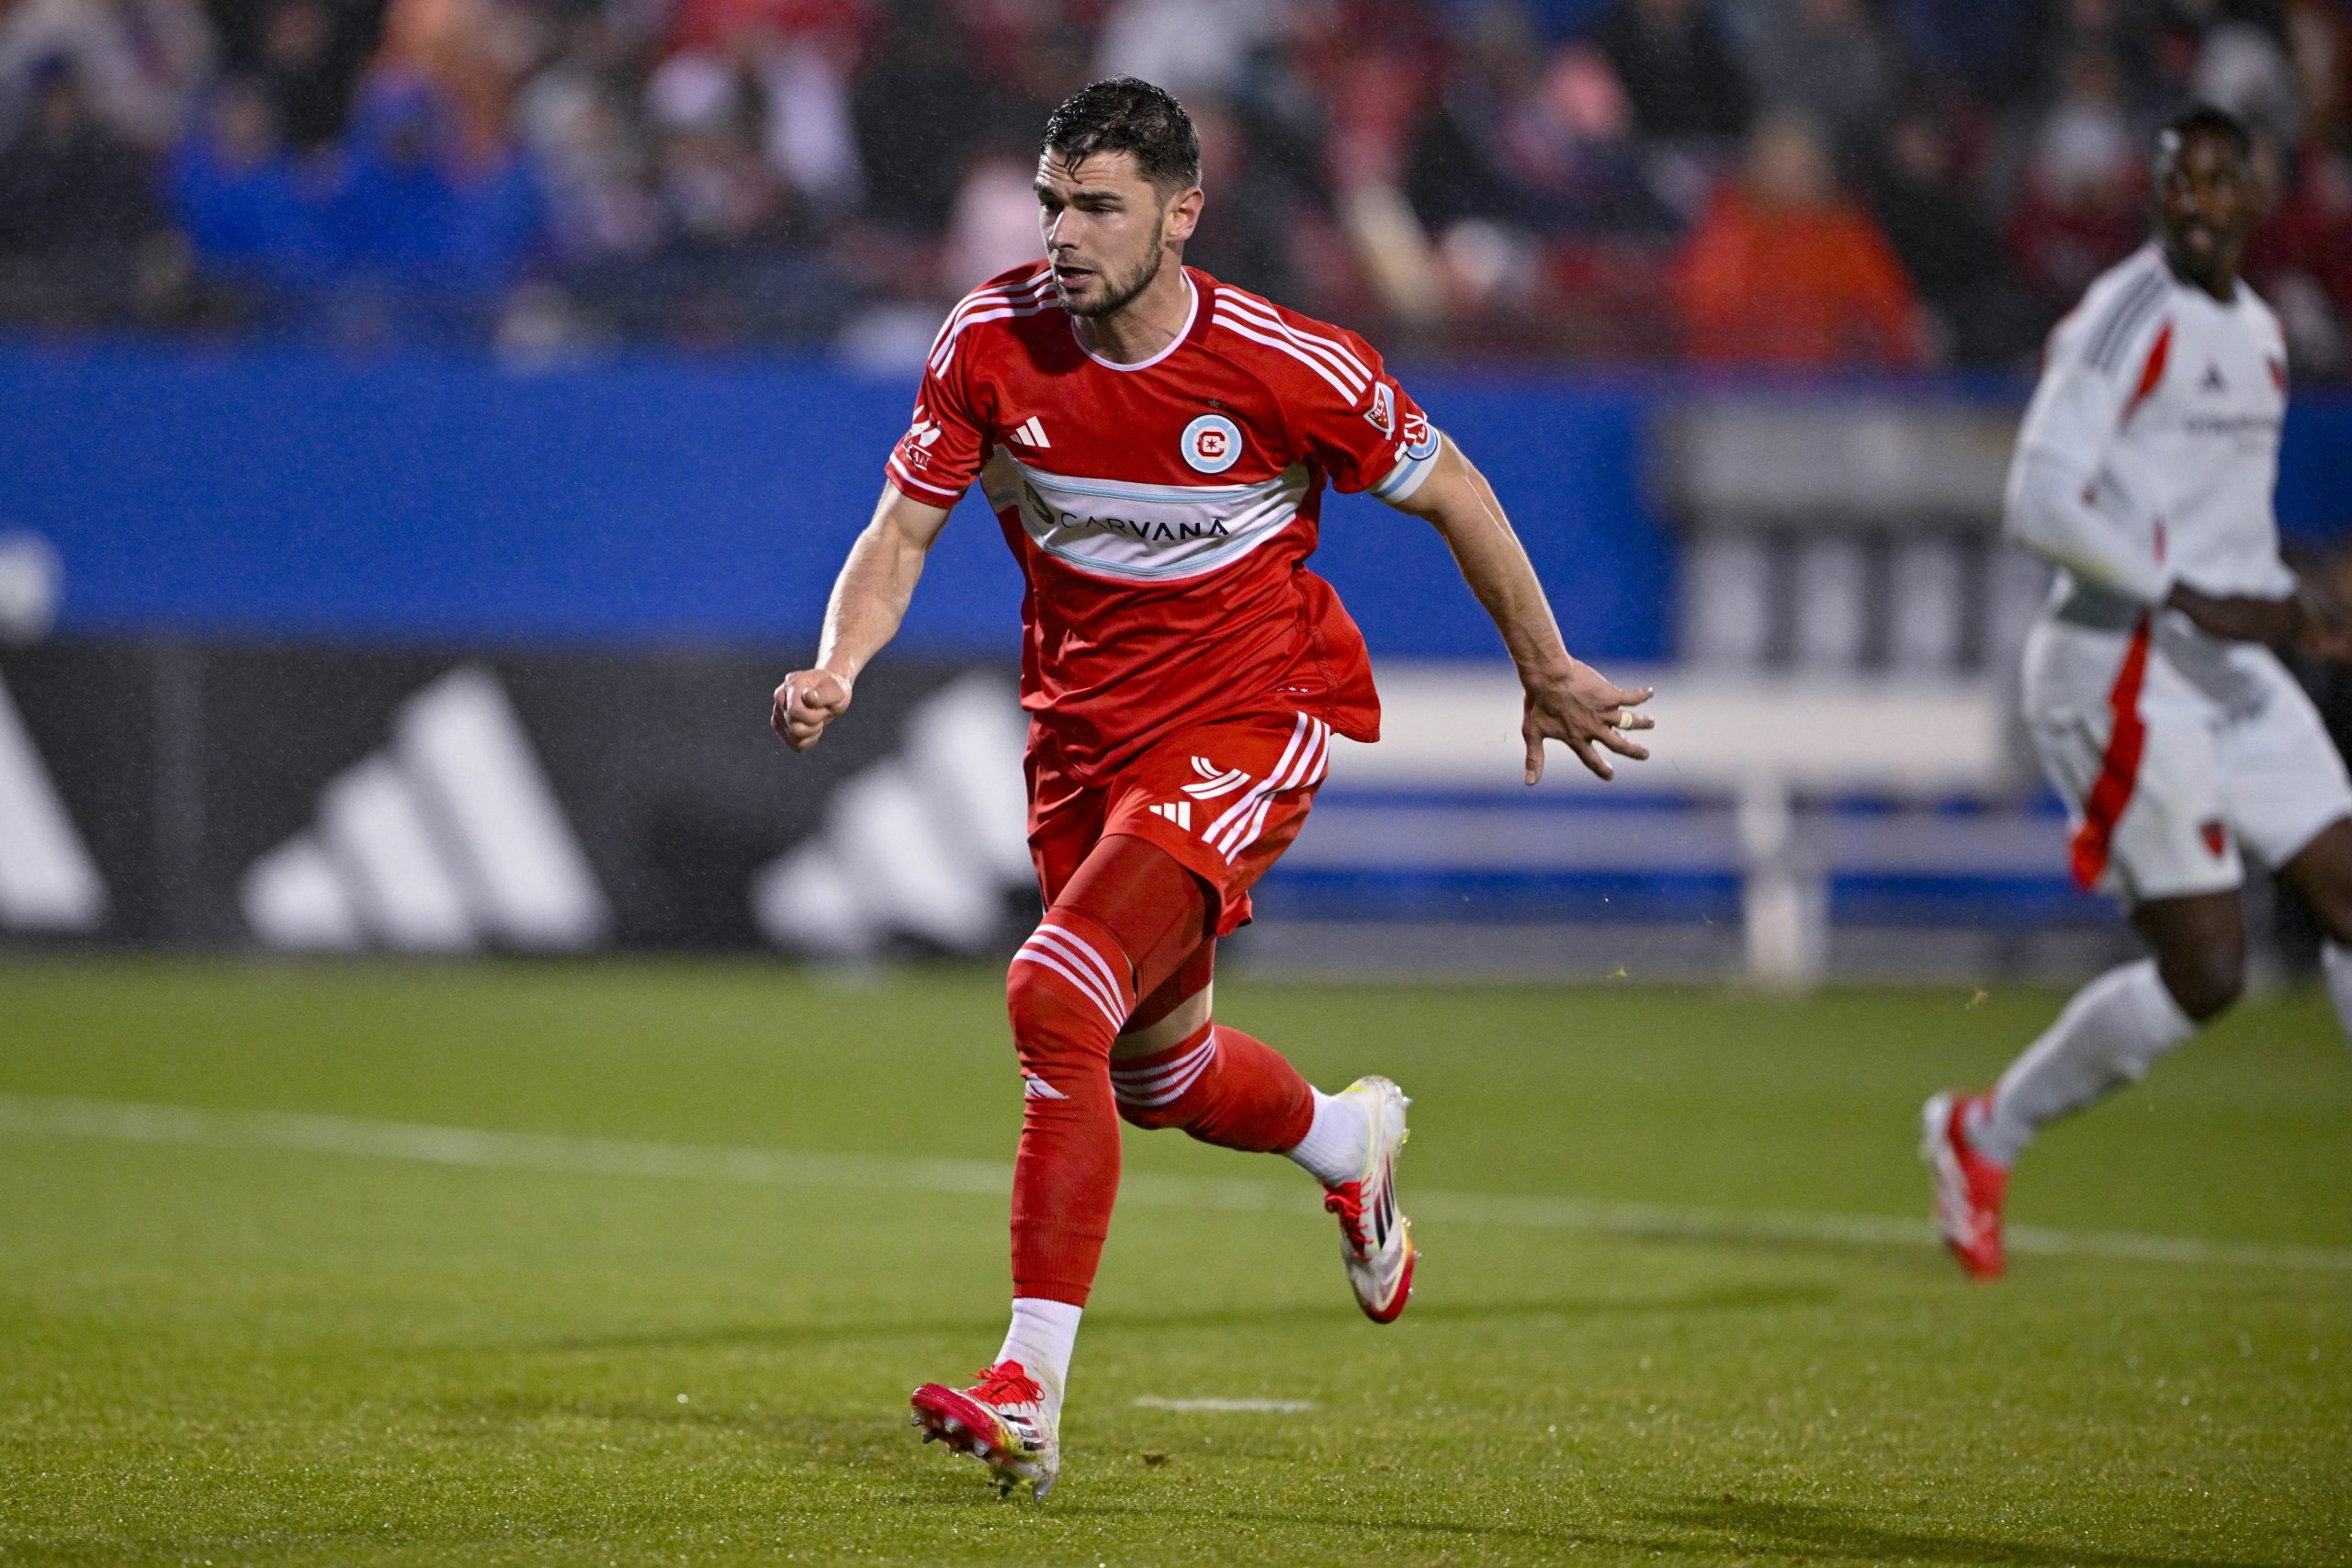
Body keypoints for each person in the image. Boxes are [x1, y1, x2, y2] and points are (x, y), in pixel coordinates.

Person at [770, 76, 1654, 1496]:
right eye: (1054, 200)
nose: (1063, 230)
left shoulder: (1287, 363)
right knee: (1156, 1074)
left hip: (1252, 715)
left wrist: (1544, 663)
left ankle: (1030, 1384)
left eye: (1098, 205)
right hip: (1084, 745)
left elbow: (1457, 489)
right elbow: (901, 530)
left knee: (1053, 987)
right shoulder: (990, 339)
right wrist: (839, 665)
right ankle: (1348, 1137)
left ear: (1183, 213)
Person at [1922, 105, 2352, 1282]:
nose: (2201, 201)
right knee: (2208, 972)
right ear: (2156, 193)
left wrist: (2299, 596)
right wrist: (2189, 593)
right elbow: (2039, 501)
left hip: (2222, 662)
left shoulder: (2261, 334)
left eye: (2222, 182)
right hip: (2117, 667)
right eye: (2180, 181)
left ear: (2257, 199)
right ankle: (1980, 1132)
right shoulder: (2124, 318)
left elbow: (2222, 533)